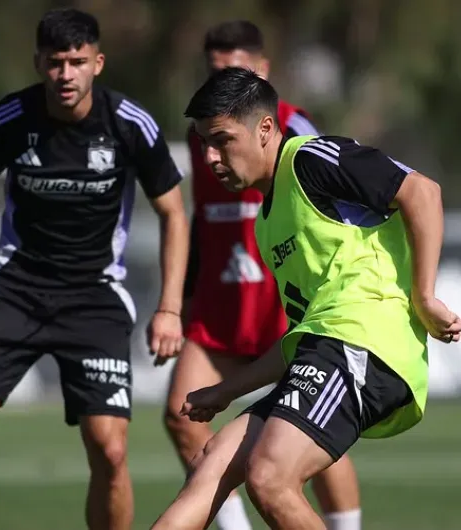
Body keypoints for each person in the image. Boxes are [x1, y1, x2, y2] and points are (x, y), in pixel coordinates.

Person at [0, 8, 188, 530]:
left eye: (77, 62)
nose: (66, 74)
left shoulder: (131, 124)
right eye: (56, 62)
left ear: (98, 63)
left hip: (95, 298)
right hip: (16, 291)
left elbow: (174, 212)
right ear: (39, 62)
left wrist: (169, 308)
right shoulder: (9, 119)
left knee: (109, 448)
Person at [152, 67, 461, 530]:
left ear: (265, 129)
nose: (211, 158)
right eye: (203, 145)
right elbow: (303, 333)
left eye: (222, 140)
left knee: (270, 477)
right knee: (213, 462)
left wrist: (425, 295)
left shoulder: (311, 158)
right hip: (324, 349)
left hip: (364, 343)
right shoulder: (267, 222)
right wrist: (224, 392)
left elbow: (422, 191)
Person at [164, 21, 360, 530]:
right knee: (182, 414)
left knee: (308, 443)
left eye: (237, 72)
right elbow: (202, 221)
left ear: (264, 73)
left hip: (282, 308)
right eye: (215, 73)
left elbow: (351, 212)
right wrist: (178, 301)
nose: (225, 86)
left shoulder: (297, 133)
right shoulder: (201, 138)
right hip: (221, 305)